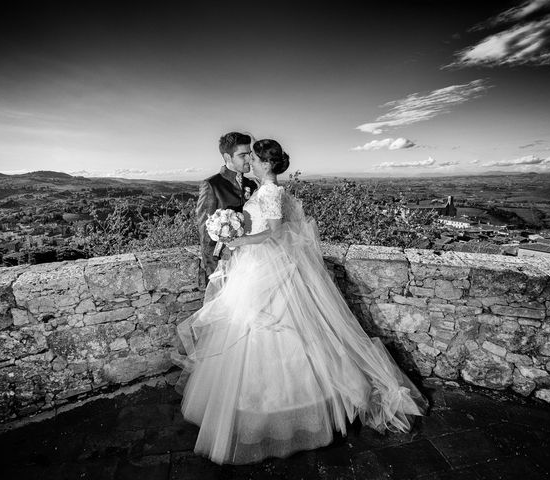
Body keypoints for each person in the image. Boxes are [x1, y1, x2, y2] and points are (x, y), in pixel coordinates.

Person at [173, 139, 428, 465]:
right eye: (245, 155)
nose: (249, 160)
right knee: (250, 331)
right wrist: (234, 236)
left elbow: (276, 233)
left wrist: (240, 238)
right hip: (255, 267)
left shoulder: (271, 192)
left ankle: (287, 414)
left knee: (280, 332)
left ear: (266, 163)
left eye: (252, 156)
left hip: (267, 268)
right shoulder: (262, 188)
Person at [196, 132, 258, 284]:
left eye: (249, 154)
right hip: (224, 264)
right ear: (227, 158)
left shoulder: (252, 185)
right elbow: (205, 232)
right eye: (243, 155)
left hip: (250, 261)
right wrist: (214, 272)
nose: (249, 159)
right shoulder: (211, 185)